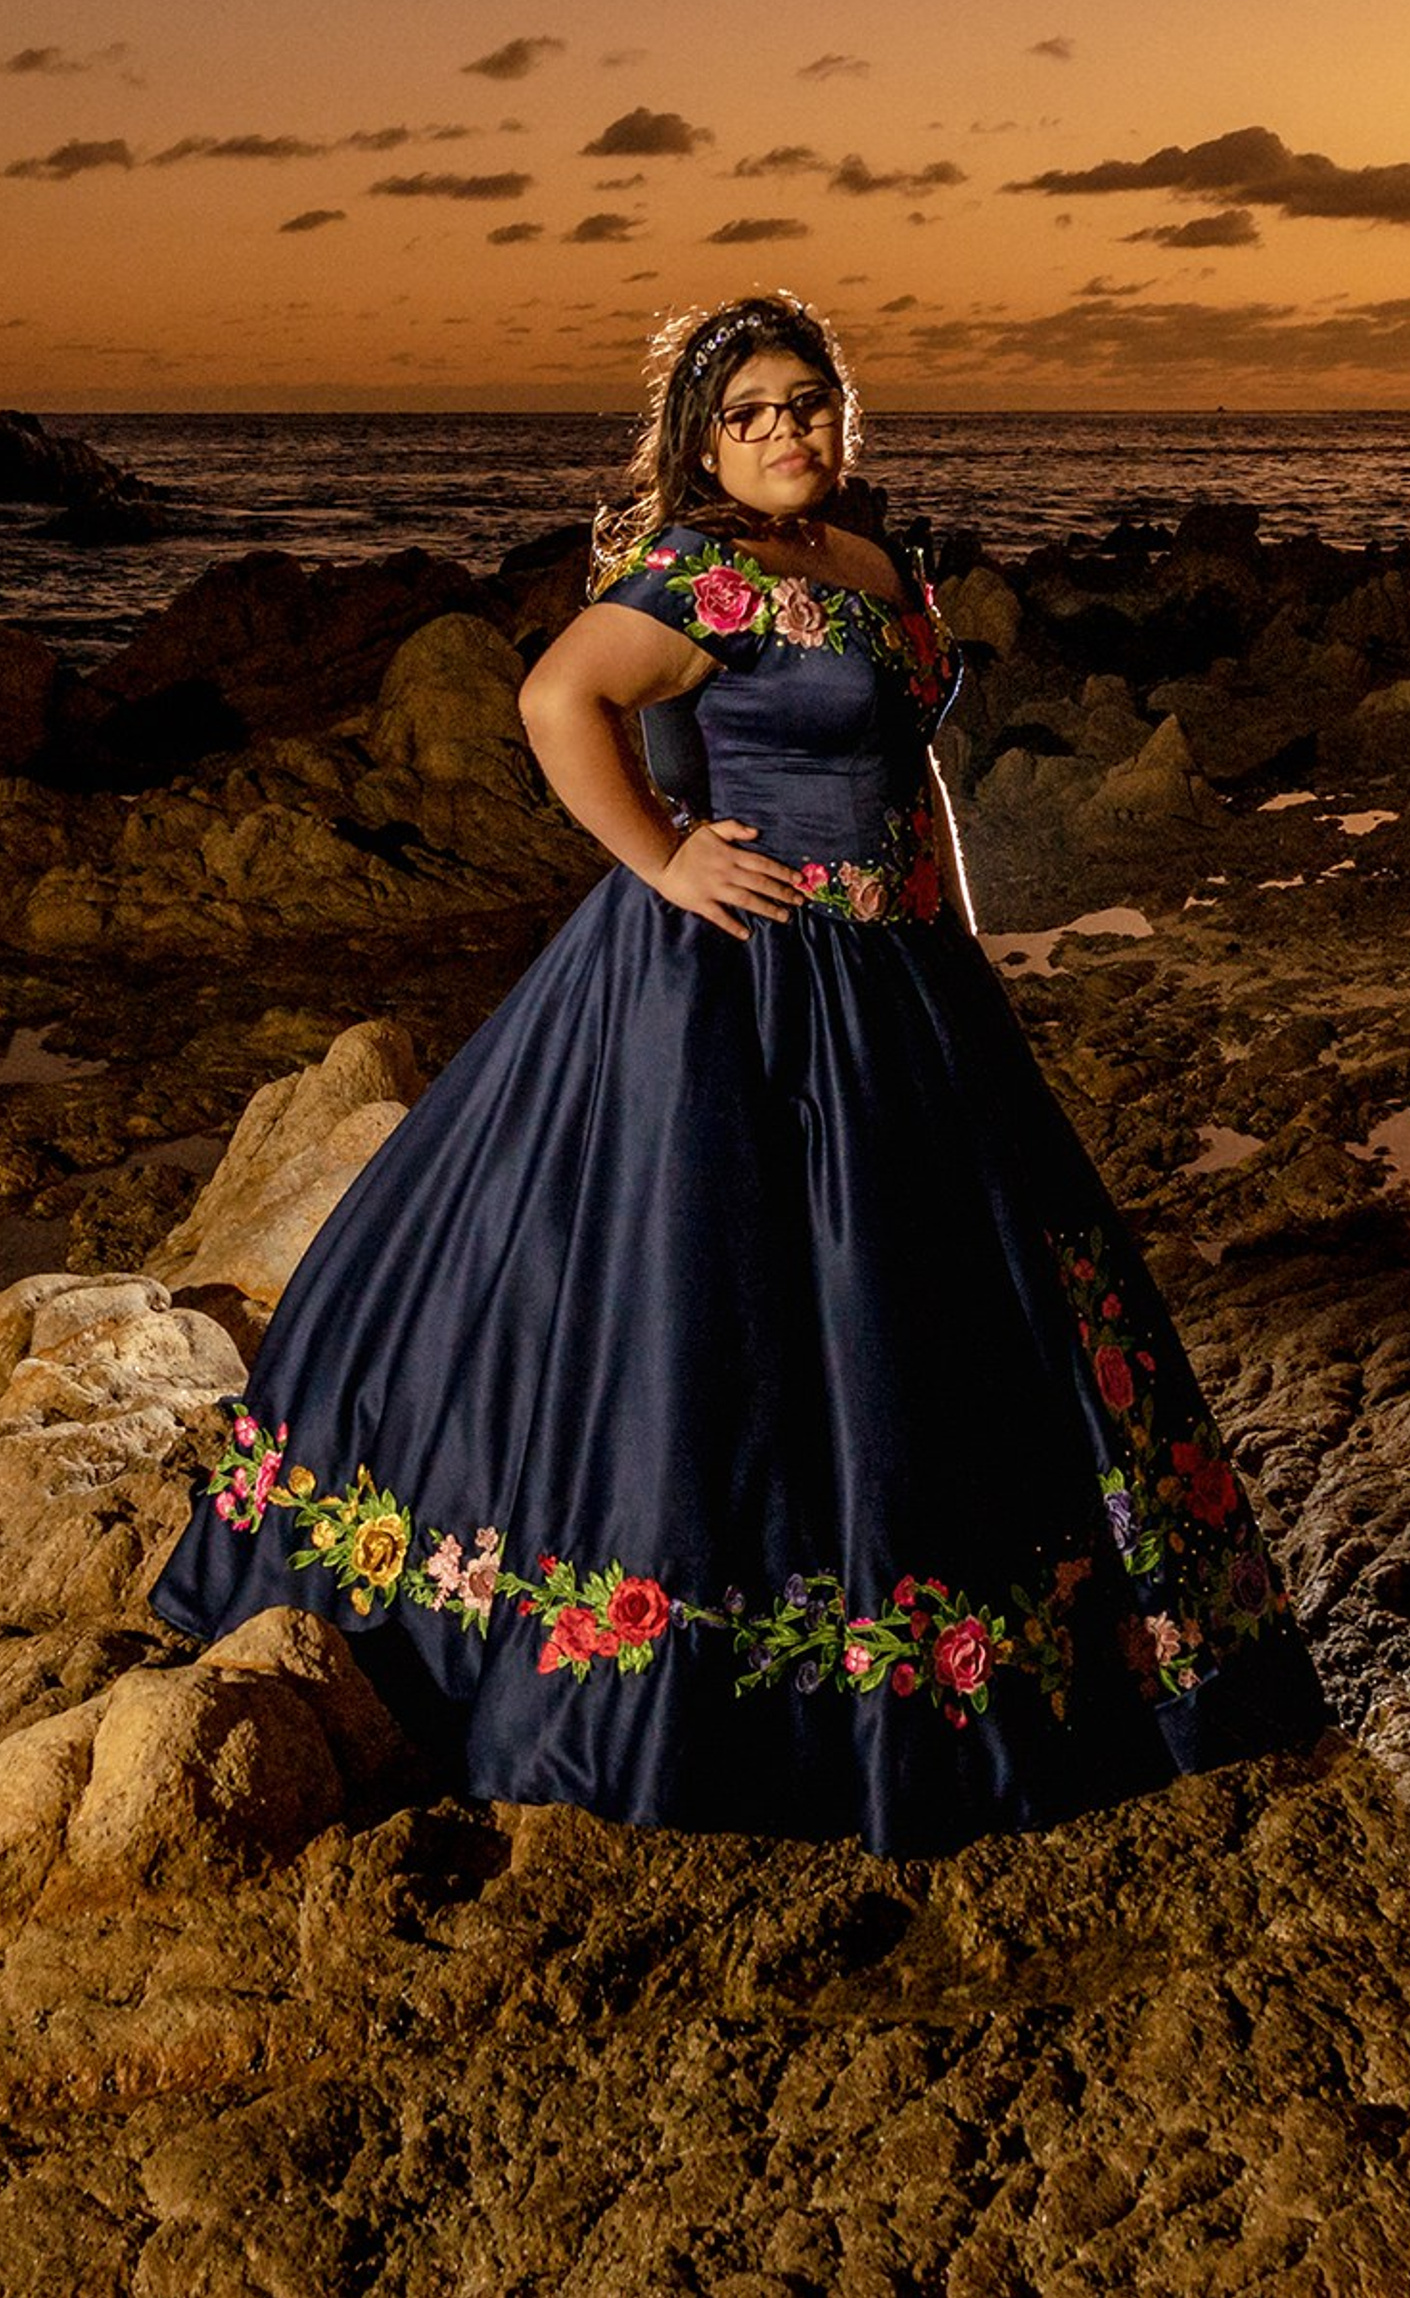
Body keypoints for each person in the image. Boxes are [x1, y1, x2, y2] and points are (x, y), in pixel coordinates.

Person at [150, 292, 1325, 1856]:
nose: (788, 433)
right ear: (705, 443)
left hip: (901, 987)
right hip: (744, 991)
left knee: (940, 1315)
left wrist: (955, 936)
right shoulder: (699, 576)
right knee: (721, 1325)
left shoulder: (870, 564)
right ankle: (679, 1698)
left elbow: (909, 765)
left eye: (808, 403)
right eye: (753, 413)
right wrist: (665, 861)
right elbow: (554, 699)